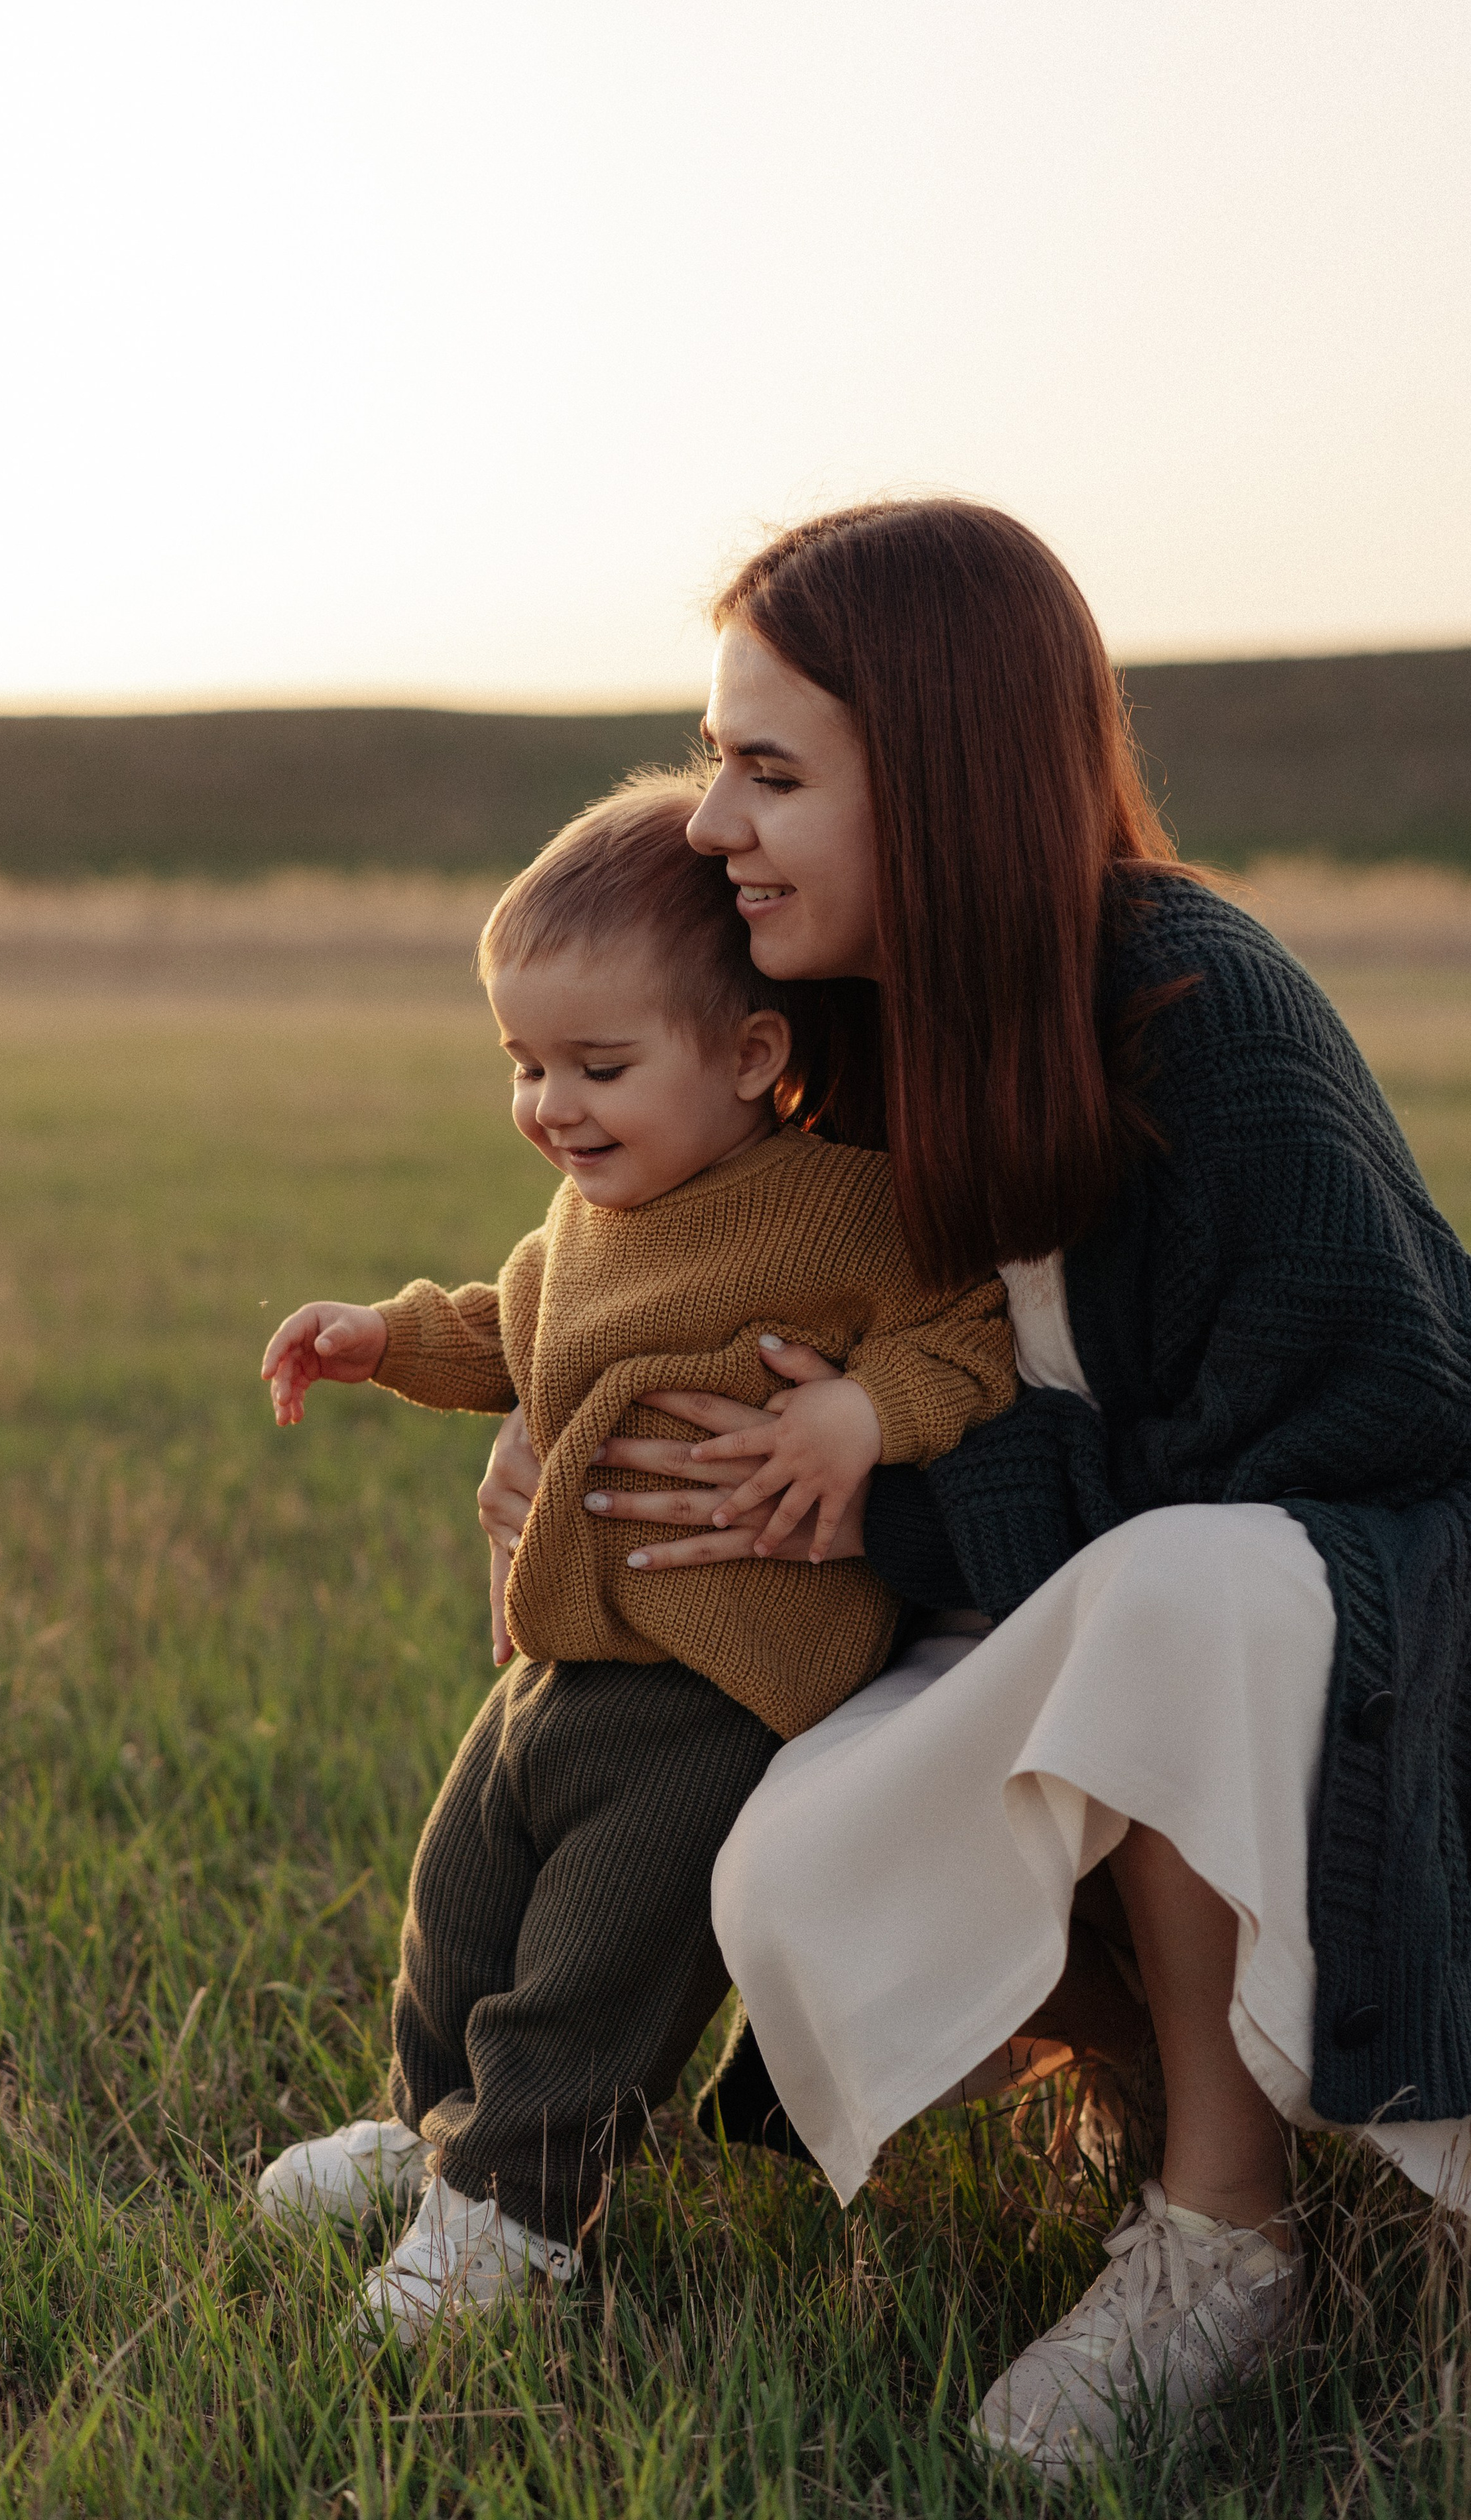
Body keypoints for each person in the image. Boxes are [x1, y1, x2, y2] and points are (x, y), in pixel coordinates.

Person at [475, 499, 1471, 2474]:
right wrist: (555, 1413)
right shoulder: (845, 1024)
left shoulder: (1196, 1005)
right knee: (782, 1872)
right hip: (1079, 1597)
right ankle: (513, 2119)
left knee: (1193, 1594)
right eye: (710, 761)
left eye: (768, 771)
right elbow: (677, 1267)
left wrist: (905, 1506)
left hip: (1352, 1607)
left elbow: (1387, 1418)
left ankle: (1227, 2230)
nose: (706, 824)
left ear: (935, 772)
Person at [254, 774, 1015, 2343]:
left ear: (749, 1056)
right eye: (525, 1065)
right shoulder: (588, 1217)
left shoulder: (837, 1212)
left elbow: (969, 1338)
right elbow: (511, 1332)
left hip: (718, 1680)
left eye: (600, 1065)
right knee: (459, 1902)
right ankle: (429, 2131)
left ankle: (518, 2217)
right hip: (559, 1658)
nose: (552, 1104)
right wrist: (384, 1338)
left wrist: (864, 1413)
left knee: (600, 1960)